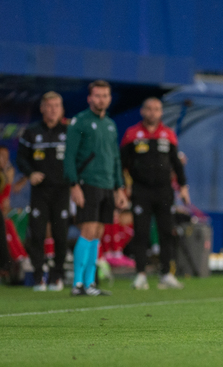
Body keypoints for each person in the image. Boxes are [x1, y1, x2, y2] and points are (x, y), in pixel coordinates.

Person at [64, 80, 127, 296]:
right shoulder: (79, 122)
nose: (102, 99)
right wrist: (74, 185)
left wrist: (119, 187)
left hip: (108, 185)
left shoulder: (110, 124)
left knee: (98, 232)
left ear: (109, 98)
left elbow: (115, 158)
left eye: (105, 96)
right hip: (87, 183)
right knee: (88, 230)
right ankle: (77, 284)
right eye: (97, 95)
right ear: (89, 98)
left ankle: (90, 283)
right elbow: (69, 156)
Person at [120, 97, 189, 290]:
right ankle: (140, 275)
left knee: (166, 232)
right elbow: (121, 164)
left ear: (161, 112)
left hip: (164, 191)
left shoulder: (168, 134)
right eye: (149, 109)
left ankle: (166, 274)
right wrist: (121, 189)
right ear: (143, 111)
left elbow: (176, 163)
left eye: (156, 109)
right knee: (141, 233)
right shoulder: (132, 134)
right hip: (140, 190)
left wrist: (183, 187)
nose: (152, 112)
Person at [16, 91, 70, 291]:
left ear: (61, 109)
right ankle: (39, 277)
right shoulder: (32, 132)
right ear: (42, 108)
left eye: (56, 105)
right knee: (37, 234)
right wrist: (30, 173)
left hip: (62, 191)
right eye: (49, 106)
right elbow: (21, 158)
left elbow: (78, 157)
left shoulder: (69, 131)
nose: (53, 109)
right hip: (40, 191)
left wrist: (74, 181)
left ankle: (57, 276)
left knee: (61, 235)